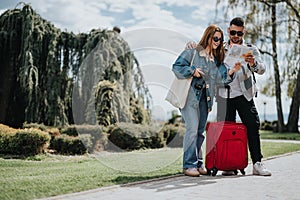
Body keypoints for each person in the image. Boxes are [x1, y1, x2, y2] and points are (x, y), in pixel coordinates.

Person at [186, 17, 272, 176]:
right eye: (233, 32)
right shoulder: (220, 48)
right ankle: (228, 165)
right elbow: (203, 52)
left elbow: (262, 69)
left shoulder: (250, 49)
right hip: (224, 96)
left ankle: (257, 163)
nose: (236, 36)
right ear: (228, 31)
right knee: (224, 130)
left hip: (244, 94)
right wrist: (192, 46)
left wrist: (253, 63)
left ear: (244, 31)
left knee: (253, 125)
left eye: (239, 33)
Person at [172, 25, 240, 177]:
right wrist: (192, 71)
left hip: (205, 99)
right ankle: (188, 165)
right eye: (215, 38)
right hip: (190, 97)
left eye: (220, 40)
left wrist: (232, 71)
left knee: (199, 132)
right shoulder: (192, 52)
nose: (217, 42)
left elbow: (222, 78)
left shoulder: (215, 60)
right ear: (208, 37)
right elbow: (176, 67)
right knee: (192, 129)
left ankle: (198, 163)